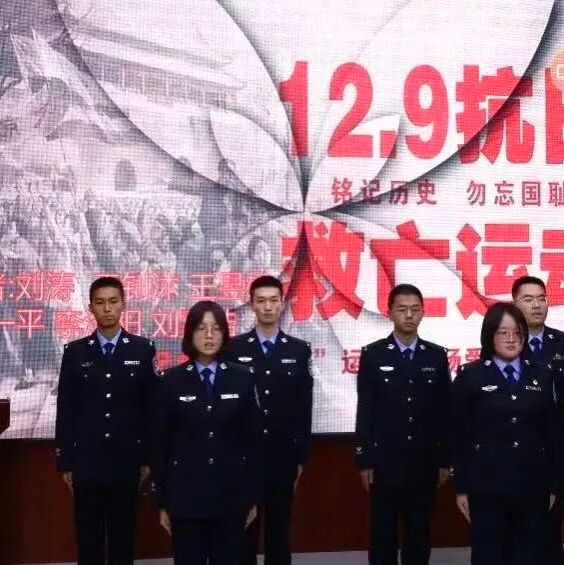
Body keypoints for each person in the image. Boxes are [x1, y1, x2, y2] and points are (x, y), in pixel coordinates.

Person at [55, 276, 158, 564]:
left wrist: (148, 458)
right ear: (91, 307)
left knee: (123, 538)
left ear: (123, 304)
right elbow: (66, 409)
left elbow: (151, 409)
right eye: (100, 303)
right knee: (88, 539)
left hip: (127, 461)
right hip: (87, 462)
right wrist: (65, 461)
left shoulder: (142, 349)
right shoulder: (75, 352)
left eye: (113, 301)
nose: (107, 308)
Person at [151, 300, 260, 564]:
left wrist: (253, 497)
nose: (209, 335)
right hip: (185, 498)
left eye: (216, 328)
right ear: (190, 333)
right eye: (201, 328)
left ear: (224, 334)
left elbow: (253, 443)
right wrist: (162, 501)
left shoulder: (243, 377)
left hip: (231, 497)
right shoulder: (170, 380)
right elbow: (161, 444)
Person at [452, 302, 560, 565]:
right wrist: (461, 487)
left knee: (530, 555)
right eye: (503, 332)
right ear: (490, 335)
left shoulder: (543, 374)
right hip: (487, 486)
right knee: (489, 555)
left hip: (533, 485)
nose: (511, 339)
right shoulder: (470, 376)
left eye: (517, 333)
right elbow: (460, 435)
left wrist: (554, 484)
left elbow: (554, 434)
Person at [355, 283, 450, 565]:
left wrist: (445, 460)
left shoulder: (436, 356)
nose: (409, 315)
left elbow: (444, 412)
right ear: (390, 313)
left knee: (419, 534)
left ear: (423, 313)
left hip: (424, 461)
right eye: (402, 309)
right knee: (383, 534)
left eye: (415, 309)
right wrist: (364, 460)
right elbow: (366, 411)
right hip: (385, 463)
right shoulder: (373, 355)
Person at [226, 275, 313, 565]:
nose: (267, 307)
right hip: (244, 457)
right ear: (252, 305)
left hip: (282, 456)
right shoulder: (235, 348)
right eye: (261, 301)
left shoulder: (298, 350)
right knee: (244, 533)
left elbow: (304, 407)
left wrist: (300, 458)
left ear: (282, 304)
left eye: (273, 300)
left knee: (279, 533)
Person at [512, 275, 564, 564]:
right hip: (521, 453)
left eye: (541, 299)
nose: (536, 305)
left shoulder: (561, 343)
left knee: (553, 535)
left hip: (559, 452)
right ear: (514, 304)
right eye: (528, 299)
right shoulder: (506, 345)